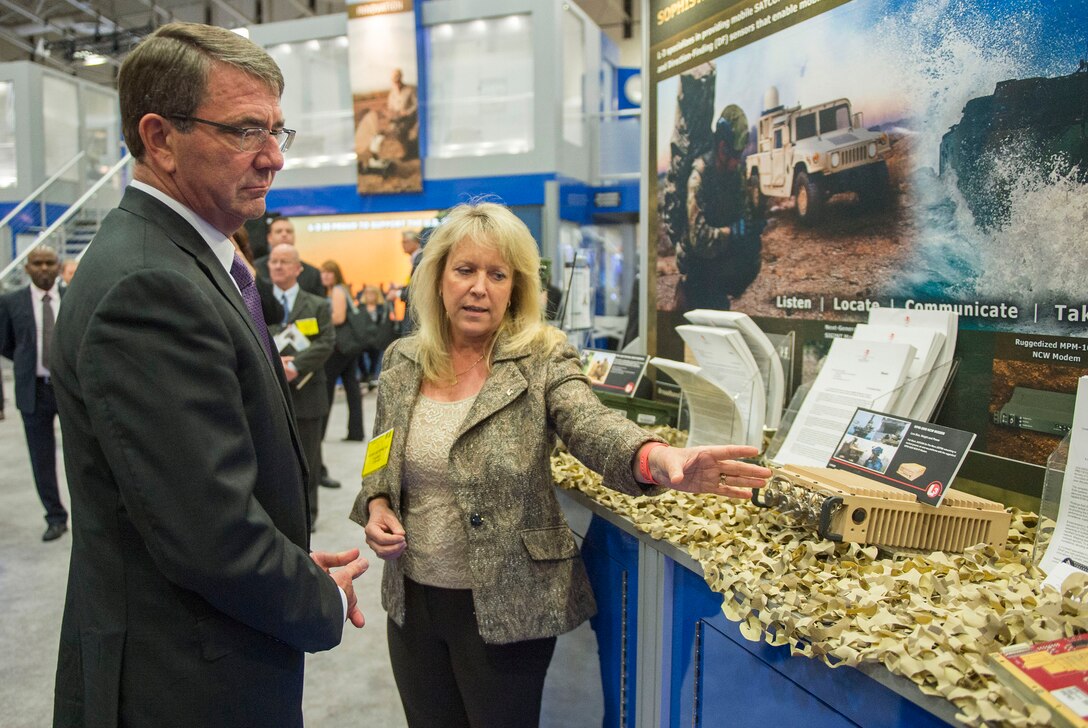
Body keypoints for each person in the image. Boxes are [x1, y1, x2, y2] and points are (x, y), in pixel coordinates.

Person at [49, 23, 368, 726]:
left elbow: (193, 489)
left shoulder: (181, 261)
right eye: (246, 131)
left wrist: (288, 562)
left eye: (279, 131)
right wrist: (314, 603)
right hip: (186, 681)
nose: (275, 158)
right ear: (160, 138)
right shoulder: (149, 285)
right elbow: (209, 536)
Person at [350, 201, 770, 728]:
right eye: (465, 270)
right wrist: (378, 503)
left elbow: (591, 425)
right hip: (412, 602)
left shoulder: (543, 359)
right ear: (437, 279)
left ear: (515, 288)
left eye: (496, 274)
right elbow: (380, 457)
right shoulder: (401, 361)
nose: (479, 287)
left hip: (512, 605)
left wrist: (655, 457)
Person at [0, 246, 69, 541]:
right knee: (41, 459)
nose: (43, 268)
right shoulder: (10, 302)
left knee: (84, 455)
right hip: (34, 391)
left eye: (49, 263)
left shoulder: (72, 297)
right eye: (37, 263)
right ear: (27, 269)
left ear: (58, 267)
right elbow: (5, 344)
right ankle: (55, 516)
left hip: (68, 388)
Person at [269, 244, 336, 528]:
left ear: (298, 268)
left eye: (284, 262)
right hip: (271, 393)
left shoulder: (317, 305)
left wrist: (295, 366)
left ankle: (307, 519)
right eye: (273, 261)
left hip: (307, 393)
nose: (278, 266)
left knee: (308, 457)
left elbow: (326, 342)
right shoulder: (256, 303)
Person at [677, 104, 764, 313]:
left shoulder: (735, 176)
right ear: (723, 148)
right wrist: (730, 233)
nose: (738, 161)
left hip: (719, 264)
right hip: (698, 268)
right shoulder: (699, 177)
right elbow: (699, 239)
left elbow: (744, 213)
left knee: (753, 247)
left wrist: (752, 226)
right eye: (736, 154)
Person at [319, 260, 364, 442]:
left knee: (326, 386)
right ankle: (356, 431)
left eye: (329, 272)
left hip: (339, 346)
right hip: (348, 346)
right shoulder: (342, 289)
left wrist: (320, 319)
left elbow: (338, 317)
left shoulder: (337, 290)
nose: (326, 276)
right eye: (323, 272)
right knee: (352, 387)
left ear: (336, 274)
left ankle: (319, 432)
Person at [253, 216, 324, 296]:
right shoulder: (255, 269)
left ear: (294, 237)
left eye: (289, 231)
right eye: (279, 231)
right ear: (269, 238)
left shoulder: (313, 274)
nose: (284, 234)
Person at [356, 284, 395, 389]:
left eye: (372, 293)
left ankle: (372, 376)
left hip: (377, 338)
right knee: (358, 355)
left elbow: (386, 323)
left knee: (375, 356)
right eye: (368, 293)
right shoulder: (360, 308)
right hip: (363, 338)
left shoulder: (383, 308)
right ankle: (365, 374)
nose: (370, 296)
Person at [386, 68, 419, 159]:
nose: (396, 81)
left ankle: (408, 153)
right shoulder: (392, 93)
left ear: (401, 78)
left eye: (397, 78)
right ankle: (407, 149)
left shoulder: (410, 89)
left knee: (402, 130)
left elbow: (416, 104)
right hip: (398, 118)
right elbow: (390, 107)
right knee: (393, 129)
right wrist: (391, 114)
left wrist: (407, 112)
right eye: (394, 80)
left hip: (411, 117)